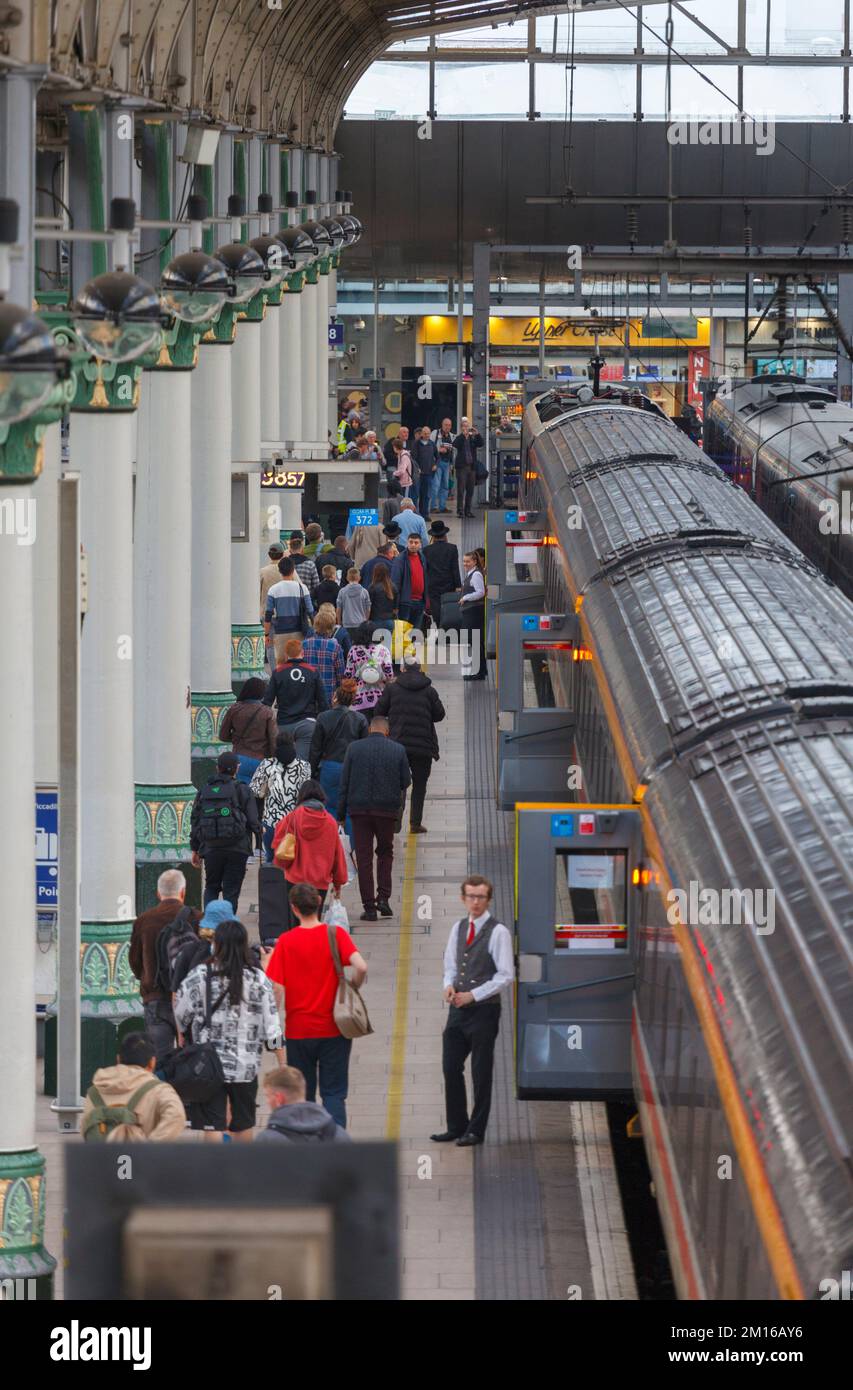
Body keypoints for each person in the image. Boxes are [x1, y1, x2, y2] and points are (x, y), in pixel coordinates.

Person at [263, 882, 367, 1129]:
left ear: (293, 909)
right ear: (319, 904)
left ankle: (307, 1140)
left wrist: (274, 1021)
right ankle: (336, 1142)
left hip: (300, 1031)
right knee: (333, 1092)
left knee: (303, 1094)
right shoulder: (336, 935)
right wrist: (352, 986)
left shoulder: (286, 942)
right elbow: (361, 966)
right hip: (335, 1028)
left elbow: (276, 986)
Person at [174, 917, 284, 1141]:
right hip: (245, 1065)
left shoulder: (200, 975)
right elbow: (272, 1026)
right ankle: (241, 1170)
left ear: (217, 945)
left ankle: (215, 1173)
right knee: (243, 1122)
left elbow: (180, 1014)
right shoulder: (257, 979)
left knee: (212, 1125)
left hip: (208, 1064)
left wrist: (185, 1033)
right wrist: (282, 1062)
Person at [430, 875, 513, 1147]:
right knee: (450, 1067)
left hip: (484, 1012)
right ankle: (456, 1125)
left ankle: (476, 1130)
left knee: (481, 1072)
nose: (475, 902)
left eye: (480, 897)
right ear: (462, 898)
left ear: (488, 900)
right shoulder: (458, 927)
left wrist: (473, 995)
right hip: (458, 1011)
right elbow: (450, 964)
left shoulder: (498, 932)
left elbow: (505, 976)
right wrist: (448, 986)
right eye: (470, 896)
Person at [338, 715, 411, 921]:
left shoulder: (354, 748)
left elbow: (345, 783)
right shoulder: (397, 750)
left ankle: (369, 908)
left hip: (359, 811)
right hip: (386, 811)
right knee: (385, 853)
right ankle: (384, 899)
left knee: (364, 857)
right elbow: (405, 781)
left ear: (370, 729)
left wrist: (341, 814)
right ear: (386, 731)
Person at [374, 654, 445, 833]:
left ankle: (396, 821)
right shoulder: (429, 690)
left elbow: (379, 711)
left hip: (397, 744)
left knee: (398, 783)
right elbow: (440, 715)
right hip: (423, 745)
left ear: (403, 669)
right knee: (420, 784)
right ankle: (415, 823)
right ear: (420, 669)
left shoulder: (392, 689)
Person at [128, 868, 190, 1065]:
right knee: (190, 1061)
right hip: (189, 999)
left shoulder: (144, 921)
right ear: (183, 892)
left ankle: (162, 1092)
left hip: (155, 998)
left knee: (159, 1061)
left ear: (158, 893)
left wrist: (146, 977)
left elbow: (135, 961)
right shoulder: (196, 918)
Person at [81, 1033, 186, 1143]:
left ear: (118, 1059)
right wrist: (151, 1148)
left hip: (101, 1158)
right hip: (142, 1158)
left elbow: (86, 1128)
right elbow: (176, 1116)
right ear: (152, 1062)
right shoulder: (159, 1090)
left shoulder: (95, 1090)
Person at [270, 780, 348, 928]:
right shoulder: (330, 822)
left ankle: (296, 948)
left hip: (294, 881)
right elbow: (338, 854)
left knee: (294, 923)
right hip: (319, 883)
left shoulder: (292, 818)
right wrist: (338, 883)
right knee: (313, 922)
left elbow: (277, 843)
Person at [190, 751, 260, 912]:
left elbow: (195, 820)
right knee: (231, 892)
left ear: (217, 768)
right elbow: (253, 821)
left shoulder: (204, 790)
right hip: (237, 848)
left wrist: (195, 848)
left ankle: (209, 926)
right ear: (237, 768)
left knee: (211, 887)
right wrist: (259, 832)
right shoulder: (242, 789)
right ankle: (227, 929)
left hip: (211, 848)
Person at [308, 677, 368, 841]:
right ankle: (350, 848)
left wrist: (311, 772)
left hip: (329, 767)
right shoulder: (360, 719)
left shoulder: (323, 717)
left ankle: (330, 842)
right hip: (352, 768)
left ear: (336, 697)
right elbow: (364, 749)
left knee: (330, 807)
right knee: (350, 808)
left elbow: (315, 749)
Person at [262, 634, 329, 760]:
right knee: (302, 763)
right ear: (302, 653)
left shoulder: (278, 672)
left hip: (284, 723)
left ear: (286, 654)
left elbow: (267, 701)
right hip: (307, 722)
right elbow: (323, 702)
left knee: (283, 761)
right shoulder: (313, 672)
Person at [250, 728, 311, 862]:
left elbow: (255, 792)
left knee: (272, 861)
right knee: (294, 861)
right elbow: (306, 794)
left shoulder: (267, 764)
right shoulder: (304, 766)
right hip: (294, 822)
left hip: (271, 822)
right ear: (293, 745)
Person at [256, 1065, 352, 1144]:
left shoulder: (267, 1139)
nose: (267, 1101)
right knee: (333, 1093)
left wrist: (277, 1050)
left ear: (279, 1098)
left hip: (299, 1043)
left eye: (268, 1096)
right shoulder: (337, 1133)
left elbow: (274, 1042)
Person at [219, 677, 277, 786]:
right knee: (257, 797)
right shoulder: (267, 712)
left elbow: (223, 736)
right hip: (260, 761)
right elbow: (273, 741)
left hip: (238, 760)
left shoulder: (234, 709)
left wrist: (236, 738)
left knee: (239, 796)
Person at [264, 555, 313, 668]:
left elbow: (268, 614)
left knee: (281, 664)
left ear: (280, 571)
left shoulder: (273, 589)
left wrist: (266, 634)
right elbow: (310, 611)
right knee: (299, 661)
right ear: (293, 570)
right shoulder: (302, 588)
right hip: (299, 631)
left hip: (281, 632)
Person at [344, 622, 394, 715]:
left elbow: (348, 675)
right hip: (380, 698)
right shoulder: (383, 650)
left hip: (358, 699)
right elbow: (389, 675)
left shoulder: (353, 650)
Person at [302, 608, 346, 705]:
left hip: (307, 693)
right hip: (329, 693)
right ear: (331, 628)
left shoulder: (304, 645)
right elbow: (340, 674)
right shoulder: (335, 647)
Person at [391, 532, 430, 632]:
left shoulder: (422, 558)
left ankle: (411, 648)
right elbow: (395, 583)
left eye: (416, 543)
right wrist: (395, 604)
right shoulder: (400, 560)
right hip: (405, 602)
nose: (413, 545)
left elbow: (425, 578)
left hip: (420, 602)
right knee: (402, 632)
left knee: (415, 632)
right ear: (407, 543)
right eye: (411, 542)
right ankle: (401, 648)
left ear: (420, 544)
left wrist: (426, 600)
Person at [424, 519, 460, 627]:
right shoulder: (452, 548)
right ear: (444, 534)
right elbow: (455, 568)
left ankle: (439, 627)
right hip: (449, 584)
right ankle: (446, 630)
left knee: (436, 609)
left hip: (433, 584)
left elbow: (425, 569)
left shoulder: (426, 550)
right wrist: (458, 585)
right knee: (448, 608)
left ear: (433, 536)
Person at [459, 550, 487, 681]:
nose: (465, 564)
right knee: (475, 642)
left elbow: (481, 592)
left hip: (474, 613)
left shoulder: (476, 575)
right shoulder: (472, 573)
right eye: (464, 561)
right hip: (472, 612)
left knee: (475, 642)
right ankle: (480, 670)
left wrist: (466, 597)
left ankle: (479, 672)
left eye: (468, 561)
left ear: (474, 562)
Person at [452, 418, 485, 519]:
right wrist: (463, 435)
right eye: (464, 426)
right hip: (462, 467)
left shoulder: (473, 438)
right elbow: (455, 444)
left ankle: (468, 510)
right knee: (461, 490)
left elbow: (481, 444)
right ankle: (460, 511)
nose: (466, 428)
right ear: (462, 428)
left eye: (467, 426)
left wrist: (477, 434)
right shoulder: (459, 438)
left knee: (470, 490)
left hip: (472, 467)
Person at [336, 566, 372, 645]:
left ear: (347, 578)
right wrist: (365, 620)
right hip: (361, 623)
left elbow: (339, 609)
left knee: (347, 646)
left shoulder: (342, 591)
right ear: (359, 578)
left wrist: (339, 622)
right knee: (360, 646)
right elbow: (368, 608)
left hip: (347, 623)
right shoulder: (364, 591)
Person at [411, 425, 438, 519]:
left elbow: (437, 457)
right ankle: (415, 514)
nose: (427, 435)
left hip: (429, 473)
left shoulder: (432, 444)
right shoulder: (416, 443)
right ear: (421, 434)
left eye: (428, 434)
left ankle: (425, 514)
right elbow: (413, 458)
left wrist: (435, 465)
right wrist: (417, 468)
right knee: (416, 494)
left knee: (426, 495)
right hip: (418, 474)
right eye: (425, 433)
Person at [430, 418, 455, 513]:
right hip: (438, 462)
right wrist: (438, 450)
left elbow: (453, 451)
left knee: (445, 486)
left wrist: (452, 463)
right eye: (446, 425)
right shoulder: (435, 433)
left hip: (447, 463)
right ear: (442, 424)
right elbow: (430, 446)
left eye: (449, 425)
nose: (448, 427)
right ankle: (433, 507)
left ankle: (442, 506)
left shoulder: (452, 436)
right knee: (435, 485)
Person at [260, 543, 285, 630]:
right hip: (284, 613)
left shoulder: (263, 572)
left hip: (266, 613)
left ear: (269, 555)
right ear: (283, 554)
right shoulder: (287, 570)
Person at [288, 530, 320, 597]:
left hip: (289, 602)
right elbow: (316, 587)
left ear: (290, 547)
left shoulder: (284, 564)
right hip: (306, 601)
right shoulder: (310, 564)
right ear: (302, 545)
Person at [368, 561, 398, 626]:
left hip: (376, 620)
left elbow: (369, 606)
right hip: (390, 620)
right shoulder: (393, 587)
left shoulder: (372, 587)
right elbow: (396, 608)